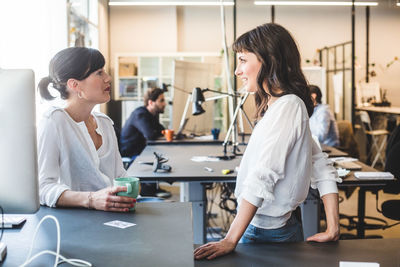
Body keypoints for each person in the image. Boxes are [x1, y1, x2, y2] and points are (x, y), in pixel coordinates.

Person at [194, 23, 341, 260]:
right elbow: (320, 163)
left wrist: (230, 238)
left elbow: (264, 174)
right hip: (271, 228)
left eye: (242, 60)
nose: (237, 71)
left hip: (265, 232)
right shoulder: (281, 106)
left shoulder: (289, 106)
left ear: (269, 59)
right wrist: (333, 227)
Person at [37, 47, 135, 212]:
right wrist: (91, 199)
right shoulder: (54, 121)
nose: (108, 78)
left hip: (111, 219)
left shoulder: (105, 123)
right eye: (99, 73)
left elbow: (120, 176)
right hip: (71, 225)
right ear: (74, 85)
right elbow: (42, 187)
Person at [120, 88, 171, 198]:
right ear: (151, 102)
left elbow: (162, 130)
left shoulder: (152, 115)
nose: (165, 104)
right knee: (152, 156)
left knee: (158, 154)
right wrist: (161, 132)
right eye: (161, 100)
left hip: (142, 150)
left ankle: (152, 188)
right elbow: (151, 135)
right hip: (130, 152)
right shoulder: (140, 114)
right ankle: (148, 190)